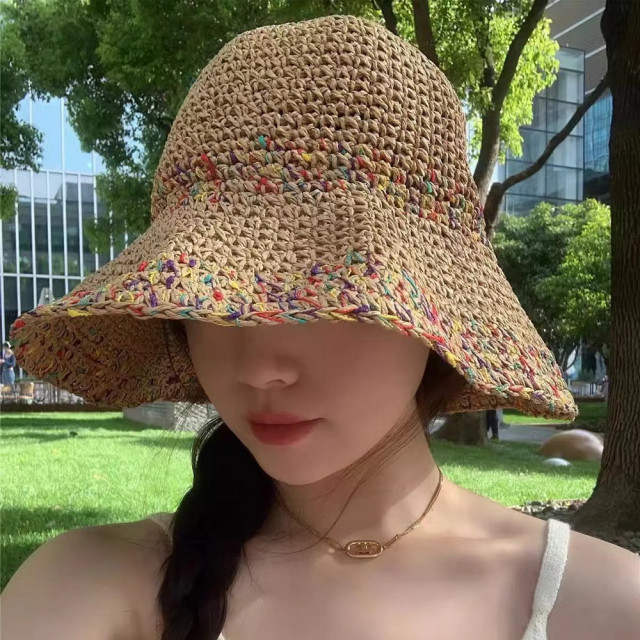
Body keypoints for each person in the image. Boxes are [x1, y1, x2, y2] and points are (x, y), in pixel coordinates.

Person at [2, 15, 639, 640]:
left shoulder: (602, 604)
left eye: (328, 295)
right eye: (215, 301)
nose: (260, 368)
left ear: (430, 311)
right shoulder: (96, 583)